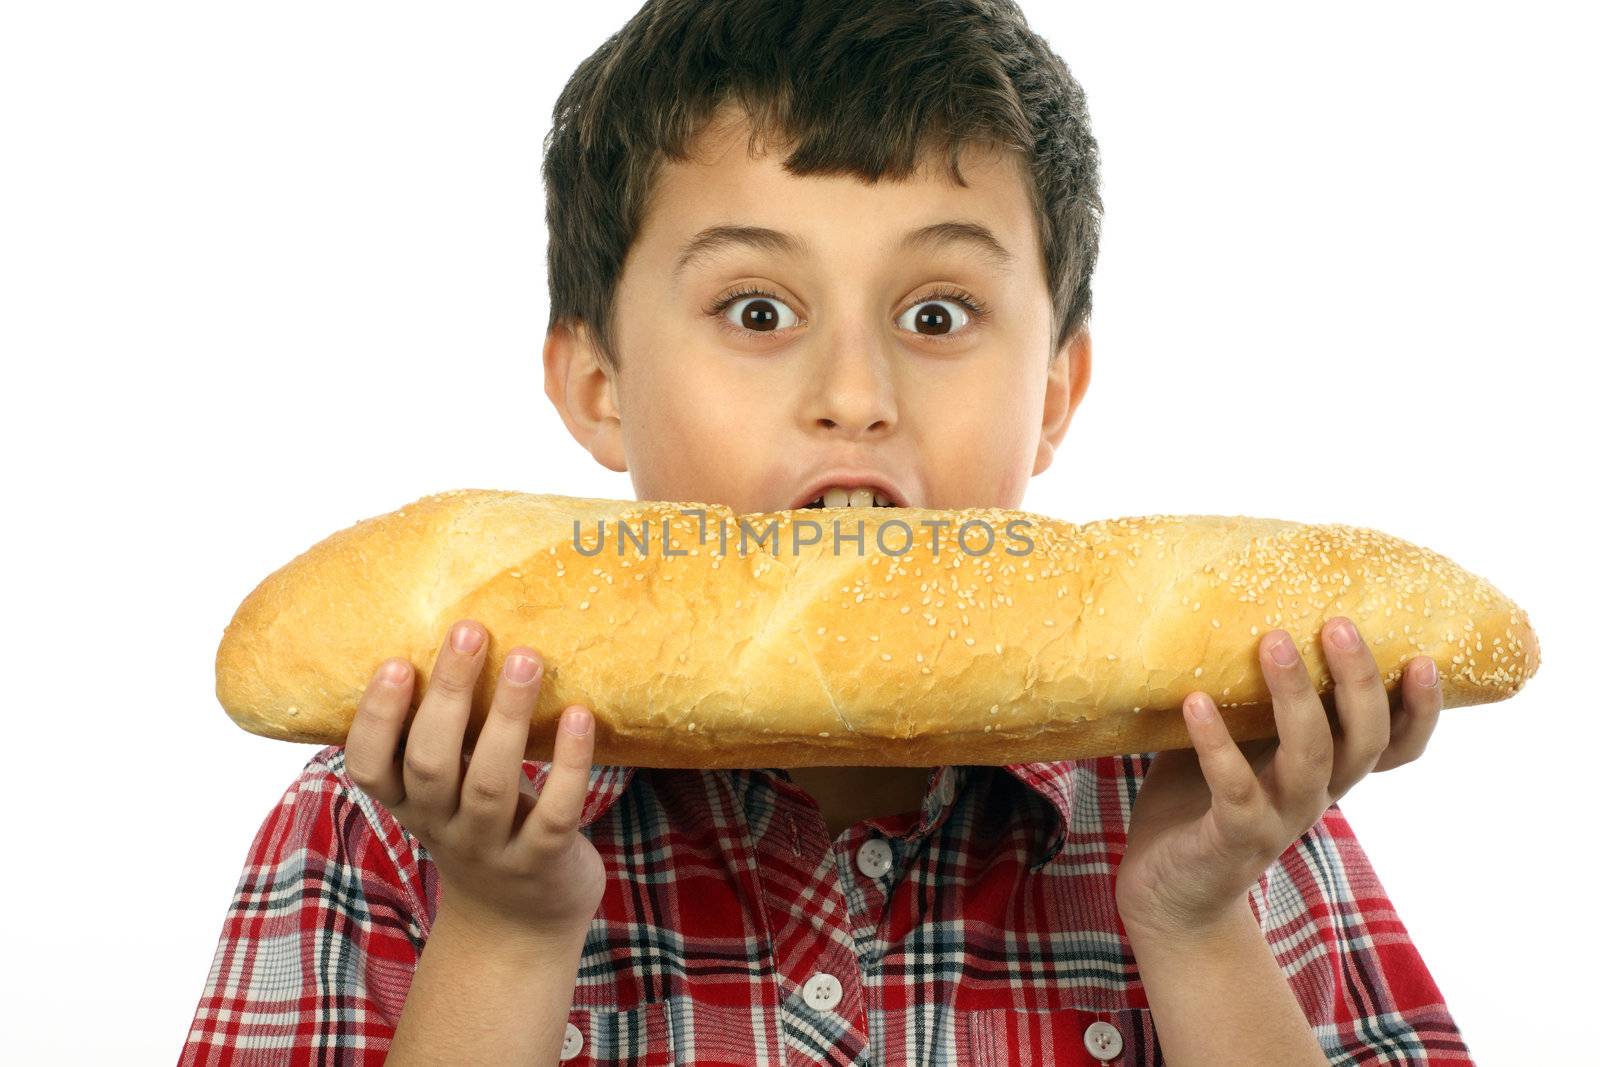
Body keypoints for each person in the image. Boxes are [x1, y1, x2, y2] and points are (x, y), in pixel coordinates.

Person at [179, 1, 1471, 1062]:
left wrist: (1195, 925)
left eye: (938, 317)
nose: (856, 397)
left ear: (1057, 394)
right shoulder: (401, 803)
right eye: (754, 311)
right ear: (598, 387)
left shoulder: (1231, 802)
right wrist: (510, 934)